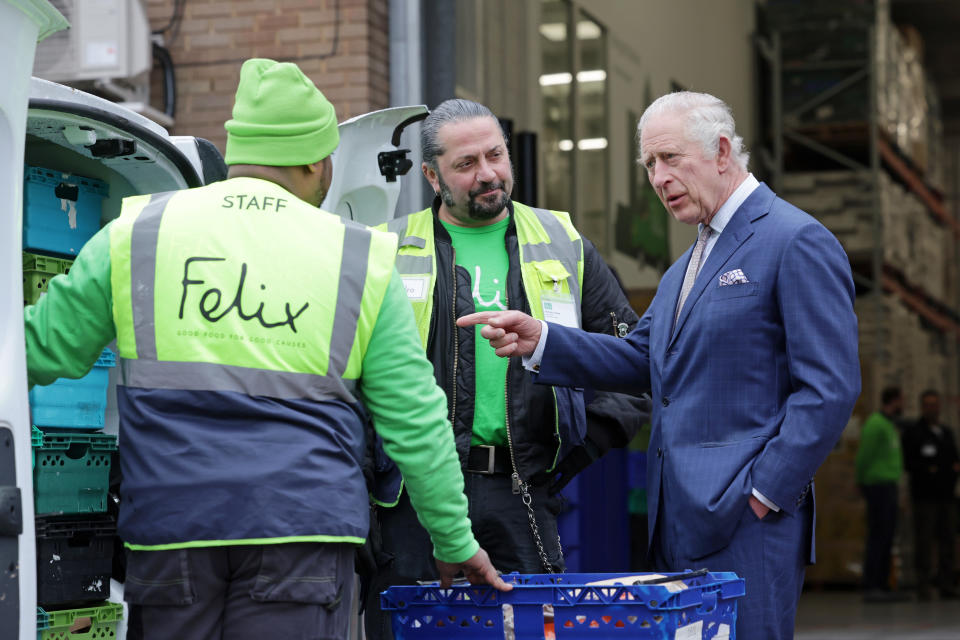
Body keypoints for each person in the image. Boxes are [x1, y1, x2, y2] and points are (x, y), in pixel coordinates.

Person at [23, 59, 508, 640]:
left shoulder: (135, 234)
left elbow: (39, 347)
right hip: (304, 539)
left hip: (170, 533)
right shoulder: (359, 257)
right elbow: (416, 421)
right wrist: (453, 540)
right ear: (314, 161)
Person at [459, 91, 860, 640]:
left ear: (722, 152)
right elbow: (640, 358)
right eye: (649, 164)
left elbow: (830, 390)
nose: (658, 176)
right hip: (676, 521)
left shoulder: (795, 241)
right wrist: (542, 340)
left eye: (670, 158)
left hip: (746, 521)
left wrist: (764, 495)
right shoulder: (686, 265)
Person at [363, 98, 646, 639]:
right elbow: (352, 382)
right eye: (466, 163)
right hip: (412, 500)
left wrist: (569, 453)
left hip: (522, 492)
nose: (487, 173)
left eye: (495, 155)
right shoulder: (387, 249)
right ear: (431, 174)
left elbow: (630, 366)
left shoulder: (563, 243)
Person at [901, 389, 960, 601]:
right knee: (924, 541)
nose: (932, 408)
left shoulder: (946, 432)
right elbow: (910, 463)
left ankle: (946, 582)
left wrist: (947, 471)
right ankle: (923, 585)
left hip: (946, 495)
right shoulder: (914, 433)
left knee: (948, 540)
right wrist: (931, 470)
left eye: (935, 404)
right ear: (922, 407)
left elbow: (953, 459)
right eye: (928, 404)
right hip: (924, 496)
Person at [855, 386, 907, 602]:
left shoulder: (889, 425)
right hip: (877, 485)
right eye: (902, 400)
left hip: (889, 485)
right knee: (878, 536)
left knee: (887, 536)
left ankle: (884, 584)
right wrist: (861, 481)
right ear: (894, 400)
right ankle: (871, 584)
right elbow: (864, 455)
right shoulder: (876, 424)